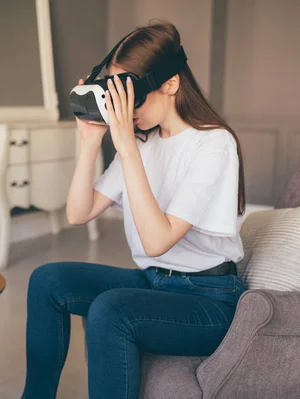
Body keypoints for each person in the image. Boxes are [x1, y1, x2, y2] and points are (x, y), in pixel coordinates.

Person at [22, 20, 247, 399]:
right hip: (154, 281)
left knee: (111, 309)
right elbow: (78, 213)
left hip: (209, 300)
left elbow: (157, 240)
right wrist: (91, 141)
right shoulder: (144, 141)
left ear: (171, 83)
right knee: (47, 281)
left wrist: (125, 146)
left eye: (132, 97)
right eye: (116, 97)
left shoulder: (213, 143)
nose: (124, 111)